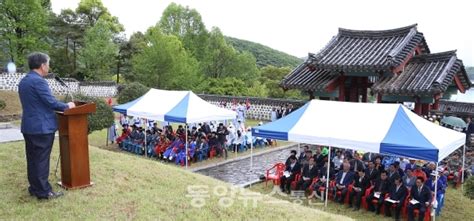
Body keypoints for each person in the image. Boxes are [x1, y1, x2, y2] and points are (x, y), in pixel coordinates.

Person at [18, 52, 75, 200]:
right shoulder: (39, 81)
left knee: (32, 159)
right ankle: (43, 192)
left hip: (29, 127)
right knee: (42, 160)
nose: (48, 67)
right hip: (41, 128)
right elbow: (51, 102)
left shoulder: (24, 80)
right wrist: (68, 105)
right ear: (42, 65)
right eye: (48, 64)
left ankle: (35, 187)